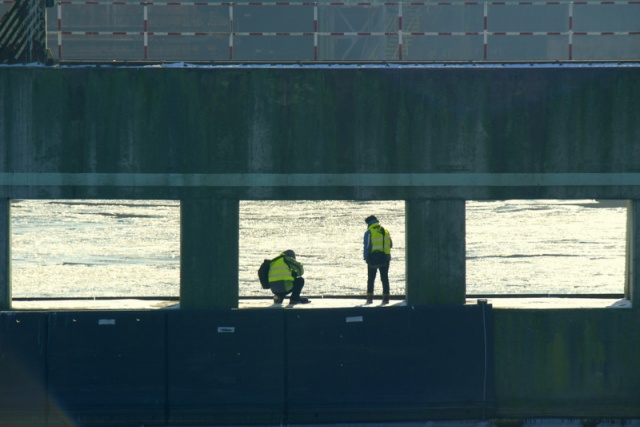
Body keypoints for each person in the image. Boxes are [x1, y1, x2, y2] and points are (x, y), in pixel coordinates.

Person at [363, 215, 393, 304]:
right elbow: (390, 244)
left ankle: (369, 298)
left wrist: (366, 258)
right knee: (384, 278)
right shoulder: (385, 231)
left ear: (369, 223)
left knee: (371, 278)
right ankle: (386, 298)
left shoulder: (369, 232)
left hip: (373, 259)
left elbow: (367, 247)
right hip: (385, 258)